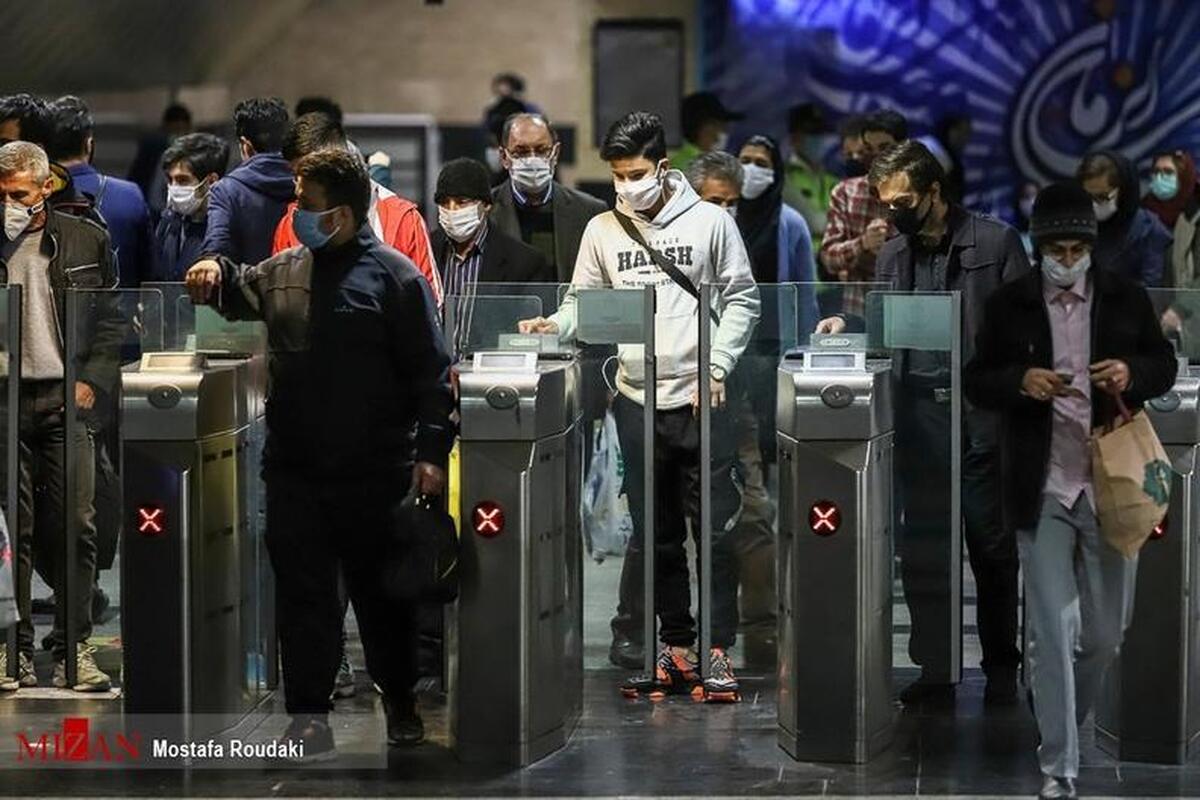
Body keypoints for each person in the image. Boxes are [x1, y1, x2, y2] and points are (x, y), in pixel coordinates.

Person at [184, 148, 454, 761]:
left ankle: (402, 701)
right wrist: (211, 271)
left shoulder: (395, 277)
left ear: (342, 212)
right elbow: (235, 286)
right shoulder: (283, 271)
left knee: (382, 599)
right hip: (295, 470)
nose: (296, 212)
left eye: (306, 203)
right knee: (304, 600)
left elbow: (431, 375)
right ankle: (308, 715)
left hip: (376, 471)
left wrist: (431, 455)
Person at [519, 111, 760, 701]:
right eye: (618, 175)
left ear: (662, 167)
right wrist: (554, 323)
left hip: (703, 398)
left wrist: (718, 363)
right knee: (655, 534)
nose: (627, 185)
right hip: (636, 397)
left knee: (714, 532)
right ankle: (675, 649)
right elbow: (583, 301)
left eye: (636, 173)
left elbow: (744, 300)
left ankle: (718, 652)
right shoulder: (604, 230)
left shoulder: (709, 223)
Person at [965, 181, 1176, 799]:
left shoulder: (1125, 299)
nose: (1064, 257)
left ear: (1090, 246)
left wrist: (1132, 373)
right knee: (1051, 631)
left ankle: (1066, 717)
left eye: (1074, 246)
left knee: (1106, 634)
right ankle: (1060, 764)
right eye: (1052, 246)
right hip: (1043, 485)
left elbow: (1162, 366)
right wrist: (1019, 380)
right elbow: (979, 379)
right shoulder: (1010, 305)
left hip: (1111, 484)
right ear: (1038, 245)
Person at [817, 141, 1029, 705]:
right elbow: (889, 328)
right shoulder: (892, 255)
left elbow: (1029, 328)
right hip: (919, 420)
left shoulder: (995, 242)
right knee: (925, 549)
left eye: (903, 201)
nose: (893, 214)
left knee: (991, 548)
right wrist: (852, 324)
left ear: (934, 191)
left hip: (981, 417)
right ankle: (934, 666)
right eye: (885, 203)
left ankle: (1002, 667)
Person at [684, 144, 816, 667]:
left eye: (729, 202)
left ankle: (759, 626)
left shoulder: (780, 227)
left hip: (741, 394)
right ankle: (668, 630)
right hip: (677, 393)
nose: (723, 211)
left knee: (753, 512)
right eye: (710, 200)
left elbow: (796, 299)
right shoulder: (672, 240)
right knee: (668, 521)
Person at [0, 141, 123, 694]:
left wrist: (92, 380)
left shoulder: (85, 240)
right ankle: (13, 651)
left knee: (76, 524)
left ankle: (75, 647)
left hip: (63, 400)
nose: (8, 203)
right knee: (14, 532)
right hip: (4, 401)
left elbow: (112, 322)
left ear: (46, 187)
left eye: (18, 193)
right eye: (0, 193)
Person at [271, 112, 441, 303]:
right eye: (295, 176)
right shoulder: (292, 224)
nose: (299, 188)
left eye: (308, 177)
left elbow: (428, 304)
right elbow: (278, 305)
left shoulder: (402, 220)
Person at [432, 158, 551, 357]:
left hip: (493, 376)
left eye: (462, 202)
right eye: (445, 203)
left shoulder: (524, 262)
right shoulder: (426, 249)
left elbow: (531, 338)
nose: (452, 211)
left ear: (486, 205)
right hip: (434, 379)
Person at [48, 96, 154, 286]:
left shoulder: (30, 198)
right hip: (119, 314)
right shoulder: (130, 196)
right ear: (89, 144)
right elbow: (150, 276)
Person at [491, 113, 608, 283]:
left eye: (541, 150)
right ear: (504, 157)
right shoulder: (484, 212)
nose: (532, 159)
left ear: (555, 153)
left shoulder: (590, 212)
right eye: (521, 152)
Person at [819, 110, 907, 314]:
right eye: (869, 149)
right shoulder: (846, 192)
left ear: (903, 148)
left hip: (909, 312)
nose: (876, 156)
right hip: (859, 313)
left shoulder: (919, 195)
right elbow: (828, 258)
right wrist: (862, 244)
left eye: (885, 148)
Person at [200, 97, 294, 265]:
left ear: (245, 145)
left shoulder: (226, 191)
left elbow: (215, 250)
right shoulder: (306, 182)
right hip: (297, 288)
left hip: (247, 288)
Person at [1077, 150, 1171, 287]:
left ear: (1123, 192)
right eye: (1087, 197)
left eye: (1102, 197)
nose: (1093, 204)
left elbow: (1152, 291)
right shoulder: (1078, 226)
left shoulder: (1148, 230)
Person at [154, 133, 229, 281]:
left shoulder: (224, 228)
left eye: (183, 180)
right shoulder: (168, 222)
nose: (173, 188)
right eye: (170, 179)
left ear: (211, 181)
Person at [783, 103, 838, 250]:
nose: (819, 139)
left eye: (821, 133)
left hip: (831, 267)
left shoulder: (833, 181)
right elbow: (813, 223)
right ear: (794, 137)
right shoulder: (783, 179)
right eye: (812, 133)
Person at [127, 102, 194, 219]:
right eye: (174, 131)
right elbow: (135, 178)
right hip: (152, 209)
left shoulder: (194, 153)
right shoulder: (151, 148)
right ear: (165, 128)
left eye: (181, 131)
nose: (177, 137)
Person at [670, 92, 743, 174]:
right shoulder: (689, 167)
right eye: (722, 127)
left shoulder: (682, 161)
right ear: (705, 127)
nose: (725, 133)